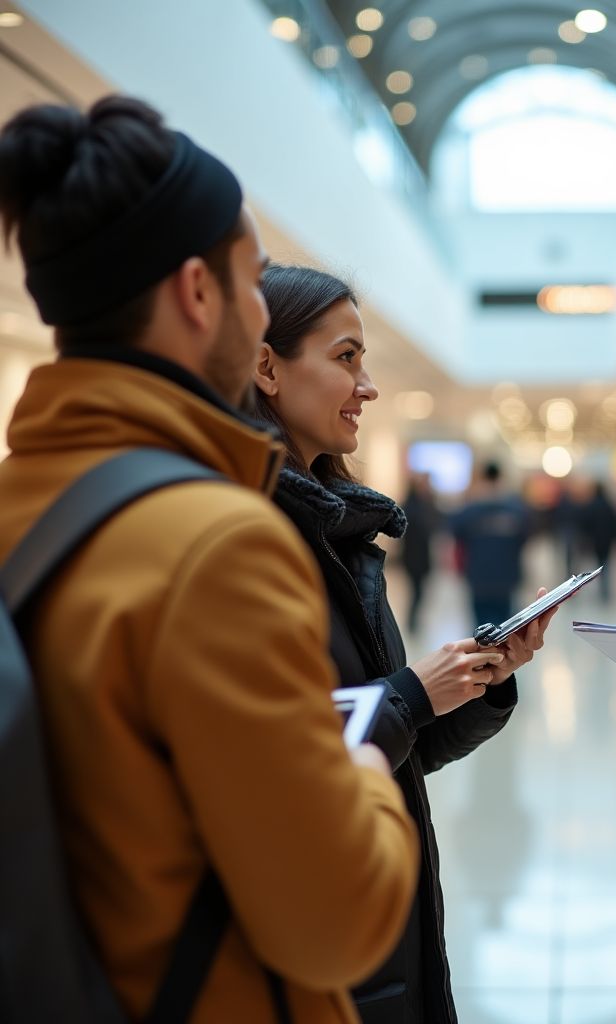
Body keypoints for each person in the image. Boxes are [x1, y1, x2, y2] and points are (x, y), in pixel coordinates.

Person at [0, 97, 418, 1022]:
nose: (261, 309)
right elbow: (337, 917)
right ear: (199, 292)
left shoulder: (18, 500)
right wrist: (356, 771)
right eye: (252, 280)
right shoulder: (214, 542)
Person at [252, 263, 556, 1024]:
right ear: (266, 367)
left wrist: (473, 683)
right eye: (345, 357)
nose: (368, 385)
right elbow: (258, 760)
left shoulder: (343, 532)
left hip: (383, 914)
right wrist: (410, 694)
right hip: (315, 932)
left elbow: (394, 744)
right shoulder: (244, 539)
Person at [451, 460, 533, 630]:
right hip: (506, 576)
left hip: (478, 576)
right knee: (505, 627)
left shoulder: (470, 511)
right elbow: (526, 538)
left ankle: (484, 656)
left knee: (481, 629)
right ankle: (501, 656)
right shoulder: (516, 510)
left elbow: (456, 534)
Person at [399, 471, 439, 632]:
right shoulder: (411, 506)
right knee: (417, 591)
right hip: (413, 556)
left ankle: (414, 621)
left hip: (421, 555)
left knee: (420, 591)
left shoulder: (425, 505)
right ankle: (412, 622)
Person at [575, 479, 616, 602]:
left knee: (590, 565)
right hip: (606, 541)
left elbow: (585, 523)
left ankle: (586, 588)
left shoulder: (591, 505)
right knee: (605, 566)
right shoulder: (608, 505)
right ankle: (605, 592)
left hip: (594, 541)